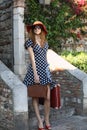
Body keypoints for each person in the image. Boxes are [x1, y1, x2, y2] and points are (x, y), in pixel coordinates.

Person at [23, 21, 53, 130]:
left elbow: (45, 57)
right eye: (35, 28)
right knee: (35, 96)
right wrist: (35, 74)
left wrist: (48, 69)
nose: (37, 29)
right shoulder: (30, 42)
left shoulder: (45, 42)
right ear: (32, 29)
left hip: (45, 70)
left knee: (48, 97)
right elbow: (32, 58)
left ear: (42, 30)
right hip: (35, 71)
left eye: (39, 28)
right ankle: (40, 122)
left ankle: (47, 119)